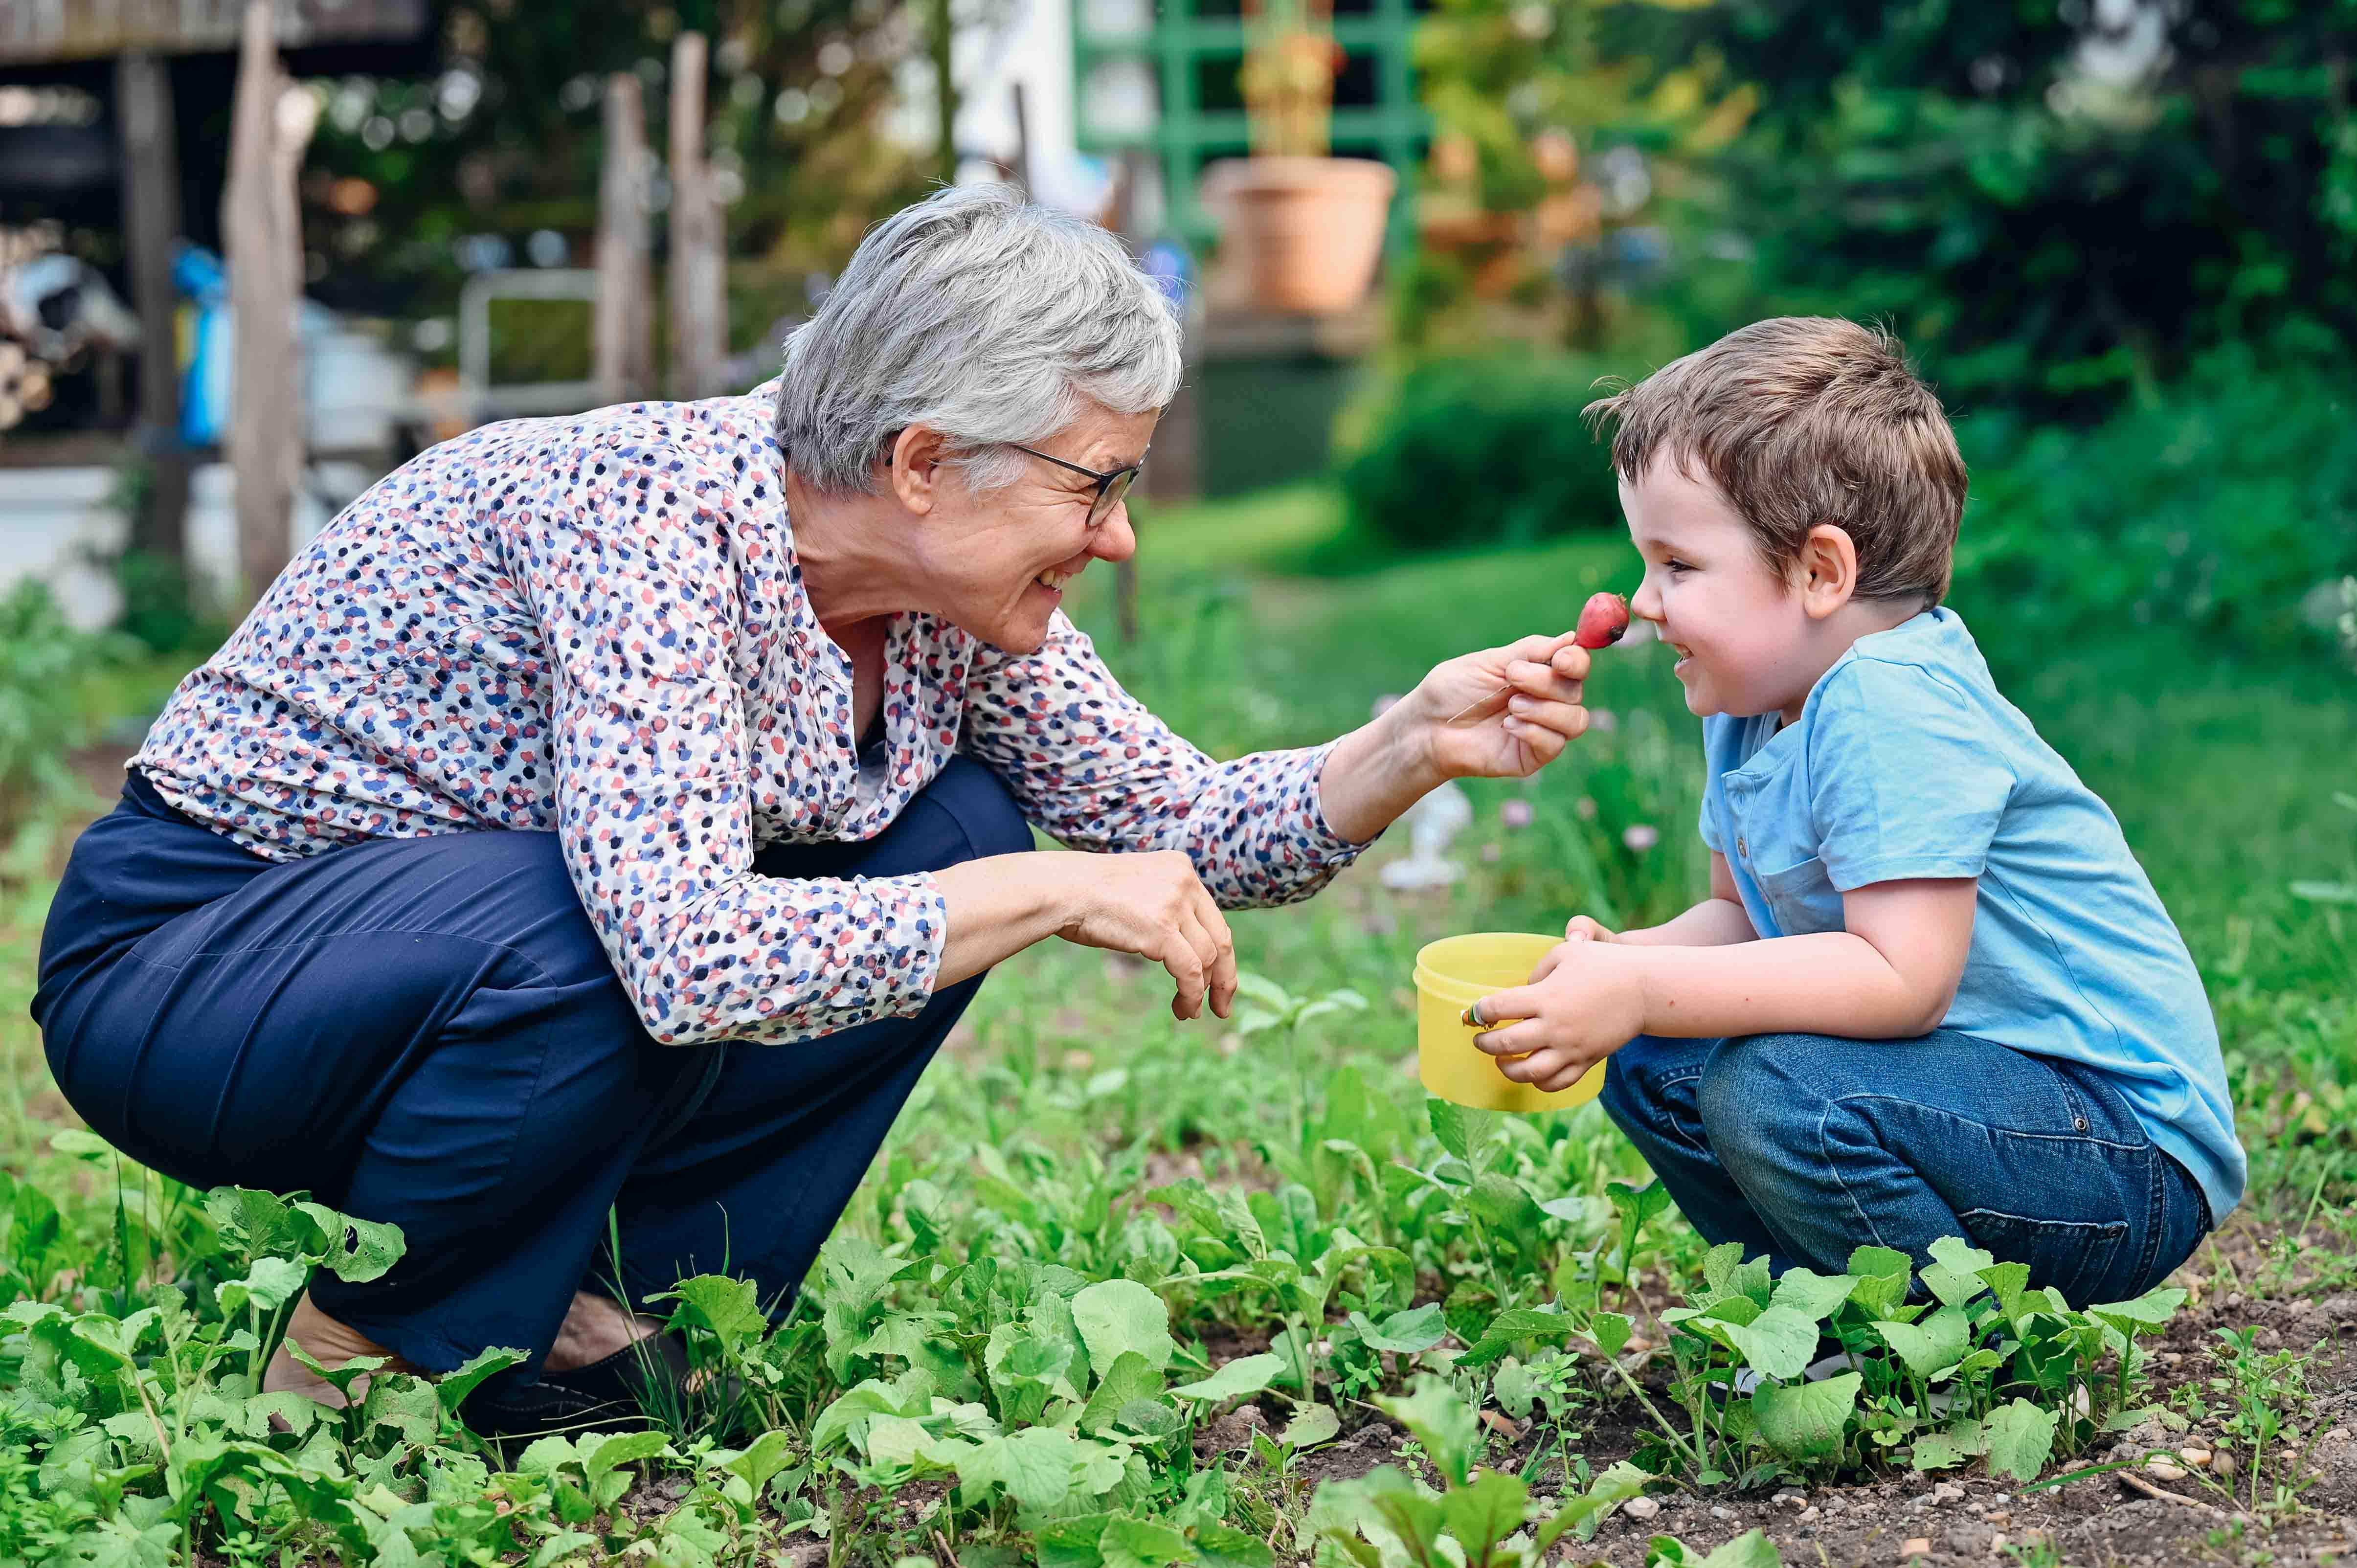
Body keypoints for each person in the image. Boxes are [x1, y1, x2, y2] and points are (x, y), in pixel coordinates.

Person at [33, 185, 1601, 1435]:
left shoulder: (949, 601)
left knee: (957, 828)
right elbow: (682, 956)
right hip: (197, 973)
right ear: (923, 461)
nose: (1117, 537)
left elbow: (1178, 823)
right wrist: (1050, 891)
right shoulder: (643, 516)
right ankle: (364, 1341)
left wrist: (1407, 740)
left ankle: (601, 1308)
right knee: (651, 910)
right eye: (1095, 483)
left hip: (459, 966)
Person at [1464, 317, 2241, 1304]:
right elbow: (1742, 920)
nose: (1642, 602)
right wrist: (1616, 969)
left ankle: (1941, 1348)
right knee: (1650, 1053)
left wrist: (1643, 987)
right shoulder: (1751, 706)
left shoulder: (1890, 701)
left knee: (1774, 1089)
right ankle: (1812, 1319)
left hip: (2120, 1152)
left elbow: (1900, 979)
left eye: (1678, 566)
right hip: (1972, 1106)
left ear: (1820, 572)